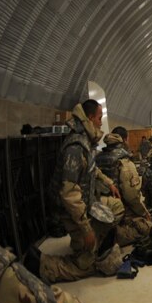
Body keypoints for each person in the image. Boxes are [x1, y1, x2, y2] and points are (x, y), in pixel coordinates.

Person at [34, 100, 124, 283]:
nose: (100, 122)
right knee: (87, 264)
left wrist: (108, 182)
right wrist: (86, 228)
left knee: (114, 213)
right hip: (70, 210)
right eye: (99, 118)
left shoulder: (85, 143)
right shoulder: (75, 147)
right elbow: (69, 194)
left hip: (85, 203)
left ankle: (83, 243)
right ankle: (41, 264)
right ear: (90, 118)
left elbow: (92, 168)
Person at [95, 127, 152, 246]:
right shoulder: (123, 160)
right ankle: (110, 237)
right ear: (125, 140)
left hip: (97, 205)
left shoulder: (98, 157)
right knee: (147, 227)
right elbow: (131, 195)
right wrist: (144, 213)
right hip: (117, 208)